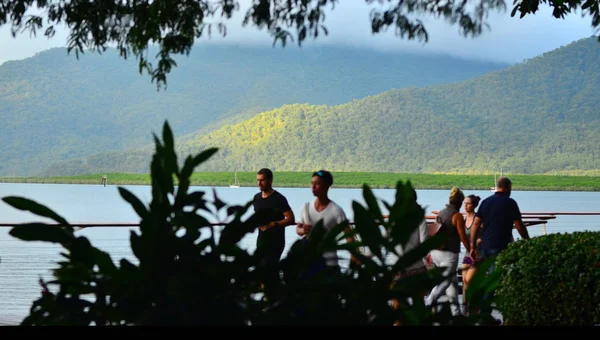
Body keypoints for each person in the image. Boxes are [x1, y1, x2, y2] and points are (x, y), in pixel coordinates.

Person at [469, 176, 530, 322]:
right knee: (495, 280)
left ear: (497, 187)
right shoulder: (510, 203)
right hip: (501, 247)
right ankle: (486, 314)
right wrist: (527, 241)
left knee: (490, 278)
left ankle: (487, 312)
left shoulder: (486, 202)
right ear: (508, 187)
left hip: (485, 247)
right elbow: (519, 225)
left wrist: (472, 246)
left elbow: (475, 225)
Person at [296, 170, 356, 275]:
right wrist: (303, 230)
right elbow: (298, 229)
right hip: (309, 262)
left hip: (329, 263)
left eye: (317, 184)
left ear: (327, 186)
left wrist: (354, 256)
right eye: (312, 183)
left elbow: (349, 235)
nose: (313, 187)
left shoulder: (336, 210)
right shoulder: (306, 207)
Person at [425, 186, 470, 316]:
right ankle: (428, 302)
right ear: (460, 202)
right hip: (449, 253)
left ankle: (456, 312)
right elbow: (462, 236)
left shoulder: (441, 212)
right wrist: (471, 249)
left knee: (452, 281)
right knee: (445, 282)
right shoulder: (457, 216)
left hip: (436, 252)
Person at [253, 168, 295, 298]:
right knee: (261, 272)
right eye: (257, 181)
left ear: (270, 180)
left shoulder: (279, 199)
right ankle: (268, 299)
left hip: (275, 243)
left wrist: (274, 224)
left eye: (262, 180)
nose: (259, 183)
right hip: (261, 241)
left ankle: (274, 299)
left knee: (270, 271)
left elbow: (290, 218)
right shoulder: (256, 198)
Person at [461, 194, 482, 315]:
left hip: (477, 254)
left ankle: (475, 304)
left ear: (473, 205)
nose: (465, 205)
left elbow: (485, 235)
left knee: (469, 280)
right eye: (464, 203)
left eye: (468, 203)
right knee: (465, 280)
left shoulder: (478, 219)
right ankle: (472, 303)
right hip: (467, 254)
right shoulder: (464, 219)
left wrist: (478, 241)